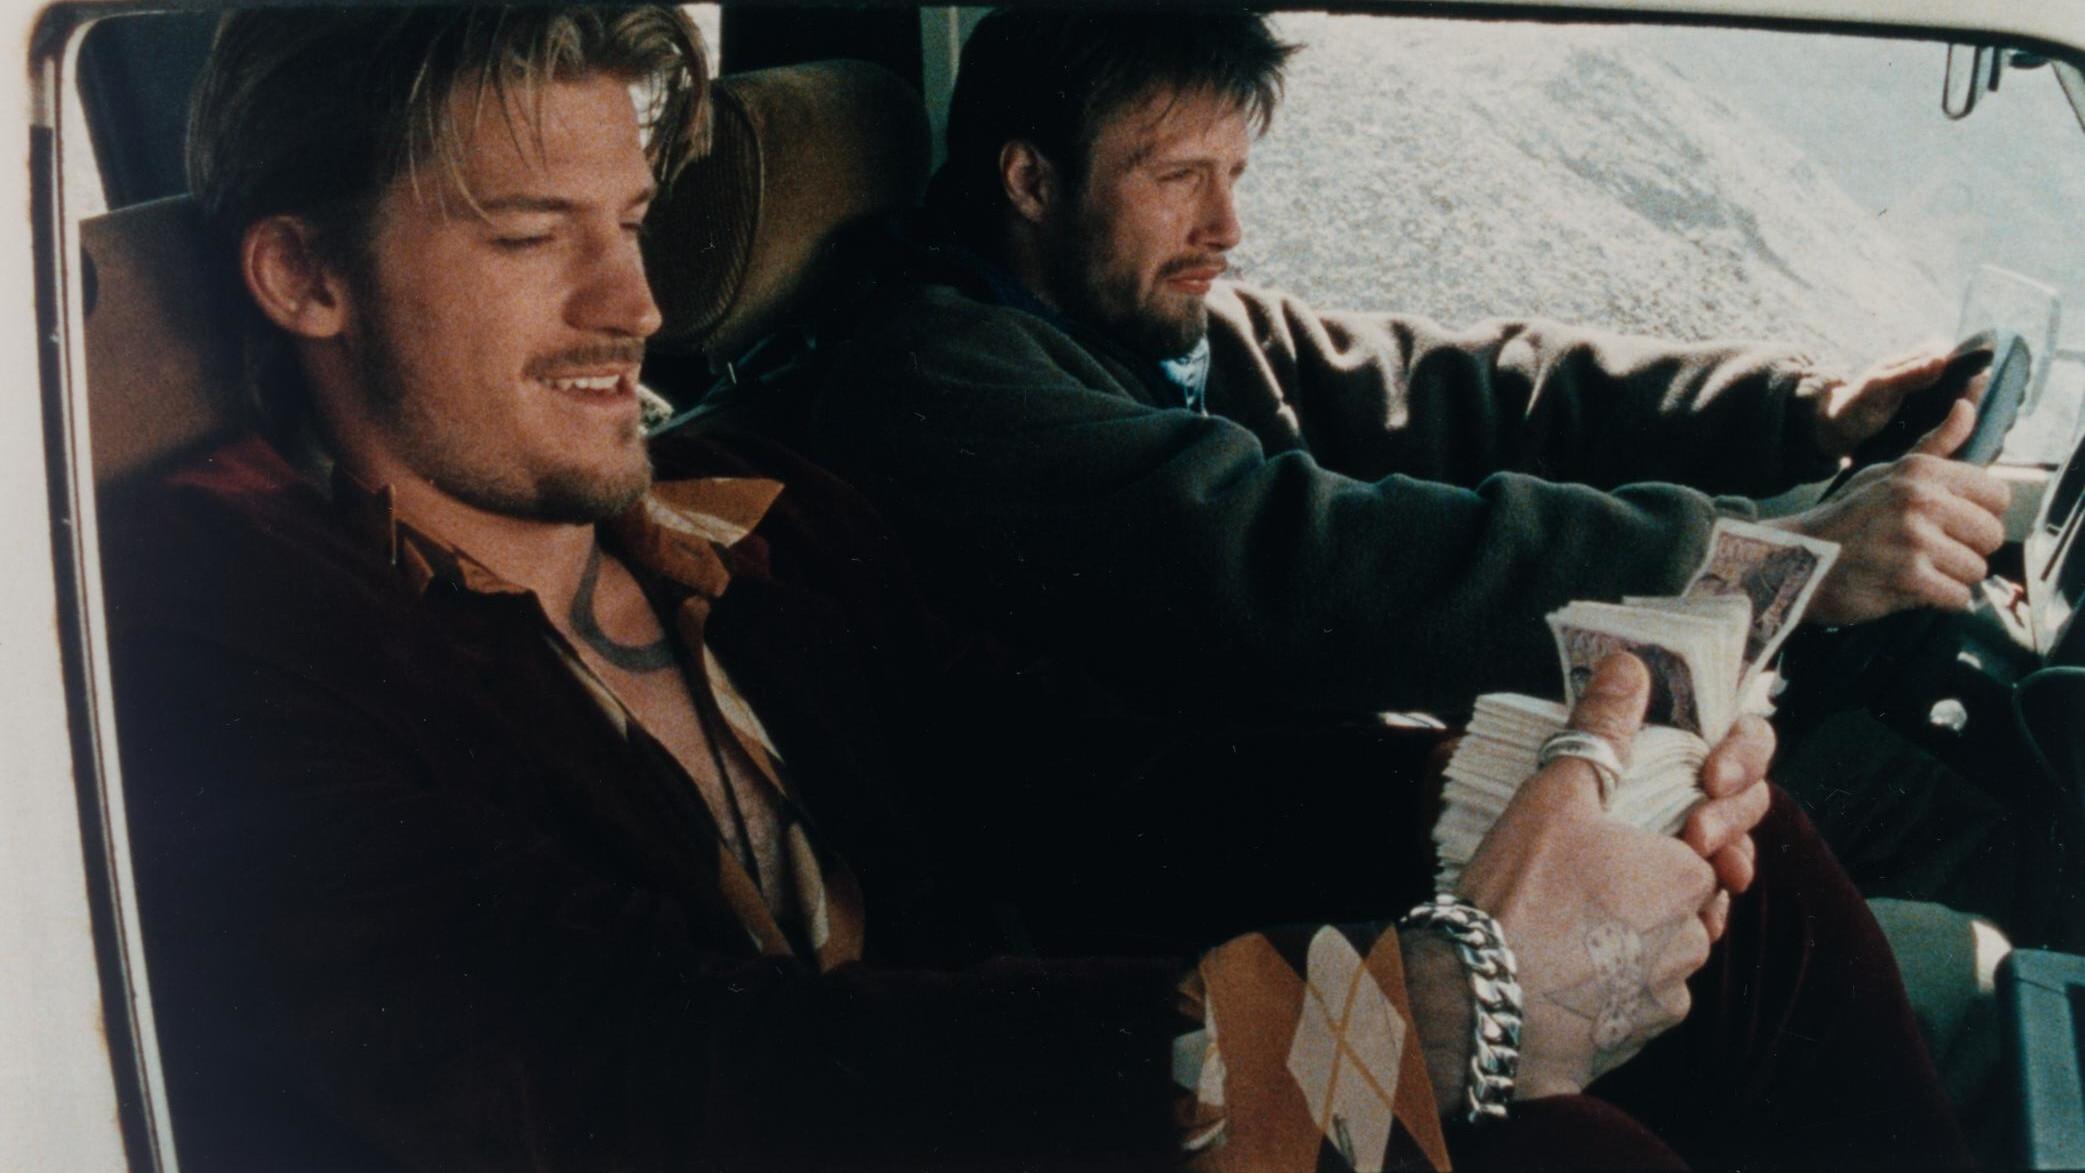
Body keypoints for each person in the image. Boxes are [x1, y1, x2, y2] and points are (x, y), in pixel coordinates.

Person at [104, 6, 1970, 1170]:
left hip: (1032, 1064)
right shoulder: (221, 645)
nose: (636, 306)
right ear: (303, 277)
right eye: (533, 240)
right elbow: (658, 1083)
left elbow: (1088, 784)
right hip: (888, 1123)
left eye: (633, 225)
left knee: (1741, 896)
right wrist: (1417, 1011)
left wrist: (1520, 798)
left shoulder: (737, 515)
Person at [687, 8, 2053, 945]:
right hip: (1153, 886)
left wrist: (1802, 413)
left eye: (1236, 172)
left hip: (1275, 805)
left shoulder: (1143, 325)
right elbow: (1302, 559)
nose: (1227, 225)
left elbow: (1468, 387)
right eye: (1180, 179)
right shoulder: (938, 377)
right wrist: (1766, 562)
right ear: (1030, 181)